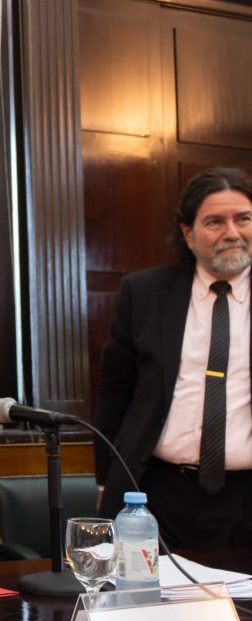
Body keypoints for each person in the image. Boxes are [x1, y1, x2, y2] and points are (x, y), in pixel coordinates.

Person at [94, 167, 252, 547]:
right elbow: (114, 391)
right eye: (214, 222)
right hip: (156, 496)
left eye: (243, 219)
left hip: (246, 499)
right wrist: (107, 476)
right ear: (188, 233)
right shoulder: (144, 293)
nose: (232, 233)